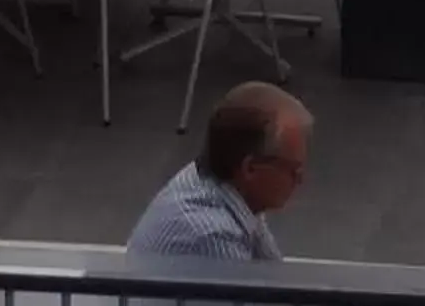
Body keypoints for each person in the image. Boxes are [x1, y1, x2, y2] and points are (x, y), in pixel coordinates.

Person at [126, 82, 311, 261]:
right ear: (250, 168)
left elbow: (274, 271)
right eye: (292, 169)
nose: (300, 179)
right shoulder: (212, 237)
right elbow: (257, 291)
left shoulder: (225, 186)